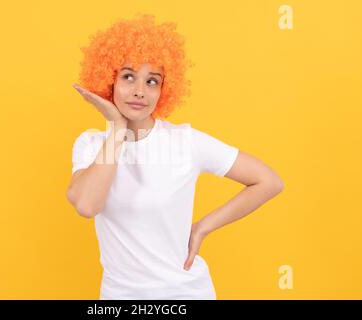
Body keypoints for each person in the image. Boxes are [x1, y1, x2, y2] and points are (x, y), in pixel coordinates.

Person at [67, 14, 284, 300]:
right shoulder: (91, 144)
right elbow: (86, 205)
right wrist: (118, 128)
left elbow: (268, 181)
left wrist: (202, 227)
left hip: (184, 294)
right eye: (128, 77)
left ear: (164, 90)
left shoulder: (185, 142)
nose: (139, 92)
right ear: (110, 80)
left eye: (152, 81)